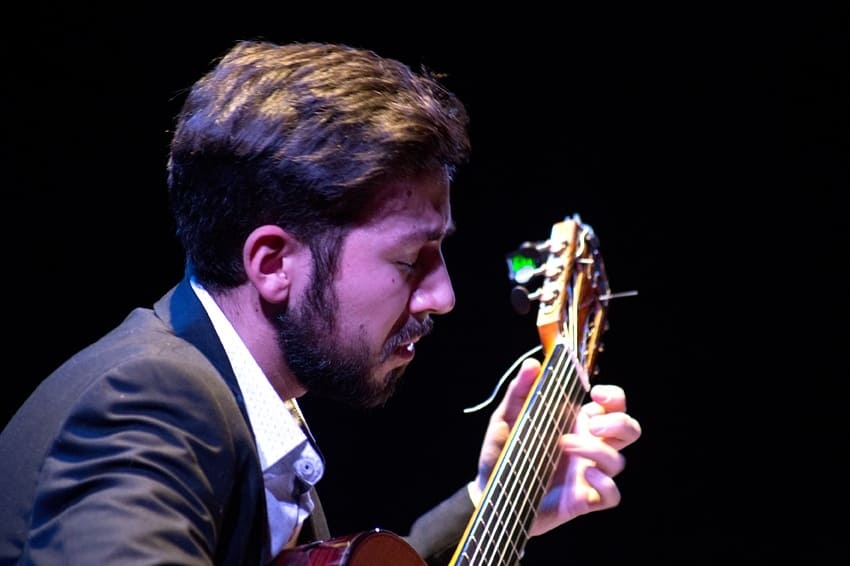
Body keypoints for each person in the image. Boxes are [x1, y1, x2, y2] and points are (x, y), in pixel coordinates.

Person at [0, 40, 642, 565]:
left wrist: (496, 502)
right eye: (408, 259)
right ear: (274, 264)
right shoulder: (154, 404)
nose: (444, 296)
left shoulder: (235, 400)